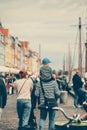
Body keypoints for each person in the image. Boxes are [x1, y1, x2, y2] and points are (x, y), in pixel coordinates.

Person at [35, 58, 60, 130]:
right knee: (52, 120)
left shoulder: (39, 83)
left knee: (42, 119)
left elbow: (36, 94)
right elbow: (57, 93)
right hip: (52, 103)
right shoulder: (54, 82)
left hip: (43, 104)